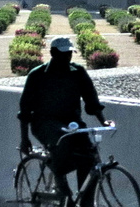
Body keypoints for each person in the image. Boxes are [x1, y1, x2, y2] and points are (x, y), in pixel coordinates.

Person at [18, 37, 107, 205]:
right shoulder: (37, 75)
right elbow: (25, 110)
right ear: (53, 53)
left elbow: (91, 99)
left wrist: (103, 121)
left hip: (72, 124)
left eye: (69, 54)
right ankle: (62, 186)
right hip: (44, 124)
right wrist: (24, 139)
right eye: (63, 53)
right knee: (61, 140)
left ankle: (85, 201)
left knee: (88, 156)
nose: (67, 57)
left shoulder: (78, 72)